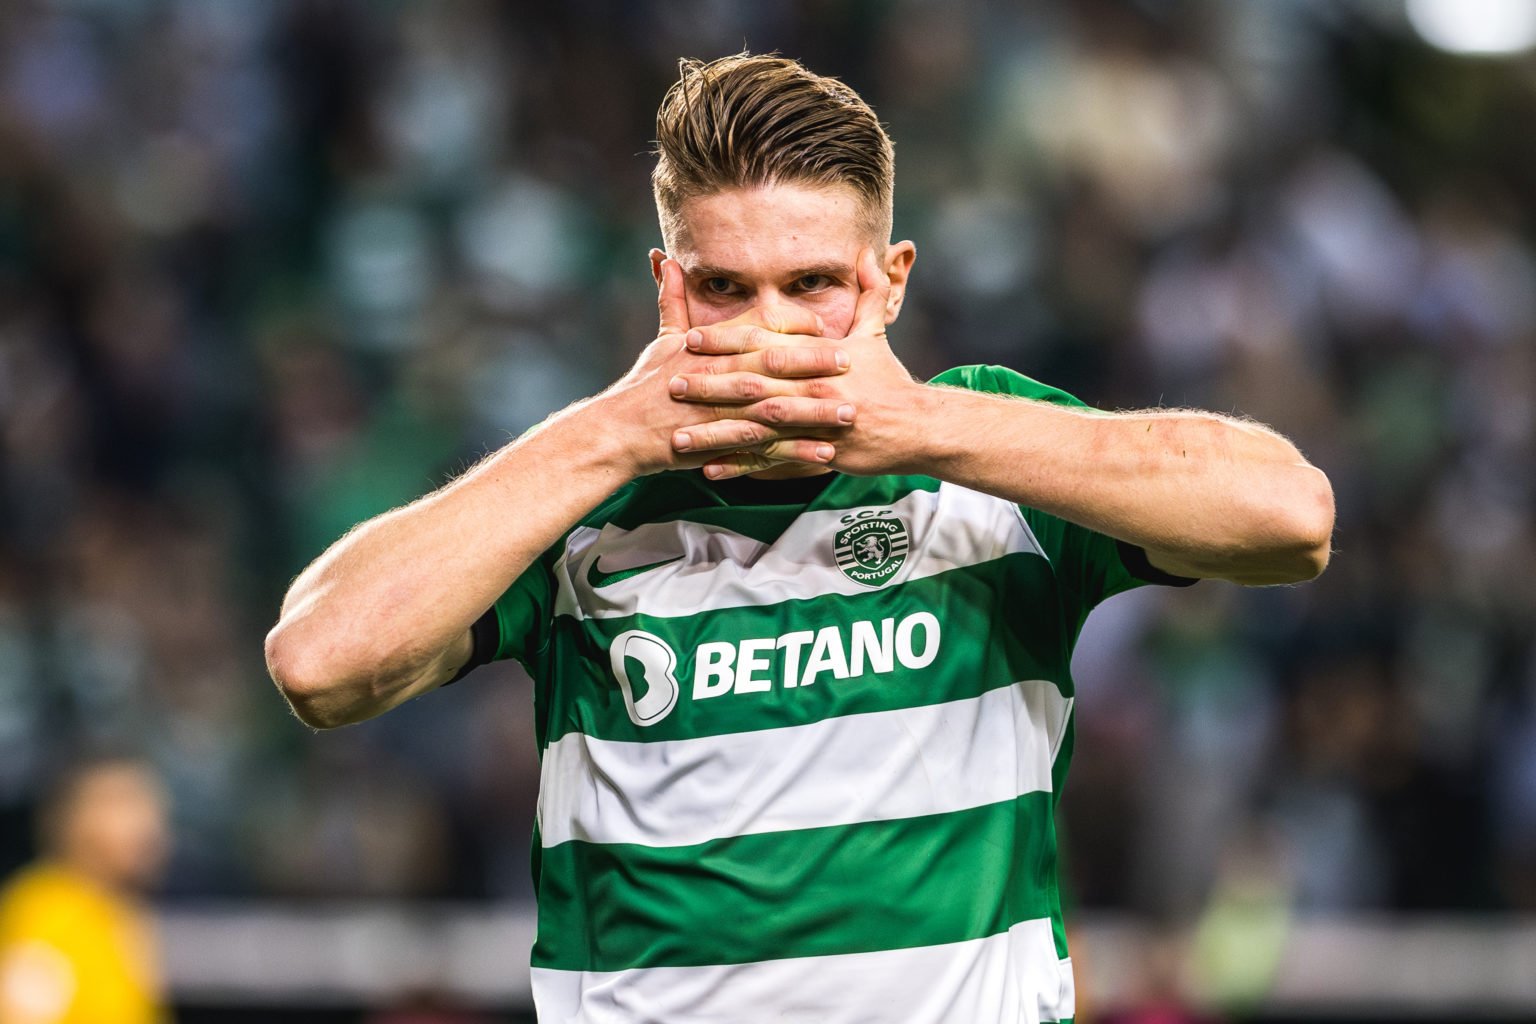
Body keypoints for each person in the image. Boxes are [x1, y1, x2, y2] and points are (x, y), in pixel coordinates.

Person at [265, 53, 1334, 1023]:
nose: (769, 328)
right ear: (666, 287)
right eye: (724, 288)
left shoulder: (992, 463)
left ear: (890, 280)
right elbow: (319, 662)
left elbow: (1291, 518)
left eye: (813, 285)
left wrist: (922, 424)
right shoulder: (579, 502)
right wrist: (608, 434)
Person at [0, 756, 171, 1024]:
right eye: (120, 803)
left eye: (148, 802)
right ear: (70, 820)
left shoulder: (115, 912)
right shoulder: (50, 912)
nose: (145, 822)